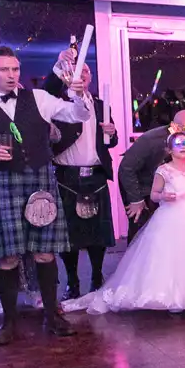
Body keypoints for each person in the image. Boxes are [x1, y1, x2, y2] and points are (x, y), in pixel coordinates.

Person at [0, 46, 92, 344]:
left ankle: (53, 316)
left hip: (41, 181)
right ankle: (9, 323)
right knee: (7, 257)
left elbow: (76, 113)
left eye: (15, 69)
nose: (11, 75)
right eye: (4, 69)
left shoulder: (40, 98)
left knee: (45, 251)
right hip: (3, 182)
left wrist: (79, 94)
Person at [70, 132, 185, 313]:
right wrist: (164, 196)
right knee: (173, 255)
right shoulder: (164, 171)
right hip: (172, 216)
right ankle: (173, 296)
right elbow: (154, 195)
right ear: (169, 149)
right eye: (178, 144)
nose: (183, 147)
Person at [43, 50, 118, 300]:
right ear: (69, 76)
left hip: (95, 176)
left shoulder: (99, 104)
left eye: (86, 72)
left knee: (98, 235)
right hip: (67, 177)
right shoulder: (57, 102)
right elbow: (47, 88)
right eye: (78, 71)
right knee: (70, 236)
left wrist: (113, 131)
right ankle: (72, 282)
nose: (83, 75)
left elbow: (109, 142)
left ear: (91, 77)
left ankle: (97, 278)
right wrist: (59, 64)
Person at [118, 110, 185, 240]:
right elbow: (126, 167)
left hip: (176, 192)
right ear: (174, 126)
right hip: (143, 186)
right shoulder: (150, 140)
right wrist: (135, 199)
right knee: (141, 230)